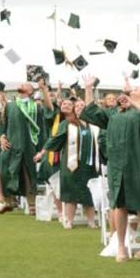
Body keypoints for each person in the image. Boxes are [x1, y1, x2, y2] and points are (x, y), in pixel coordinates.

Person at [82, 80, 140, 262]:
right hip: (117, 166)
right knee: (119, 205)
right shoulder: (114, 113)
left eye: (138, 88)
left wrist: (133, 102)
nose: (132, 89)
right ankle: (121, 246)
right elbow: (92, 113)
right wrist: (88, 89)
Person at [38, 95, 99, 229]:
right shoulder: (67, 124)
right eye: (77, 106)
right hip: (71, 165)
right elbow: (55, 139)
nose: (80, 108)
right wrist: (43, 152)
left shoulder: (94, 126)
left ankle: (91, 221)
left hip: (90, 165)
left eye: (83, 106)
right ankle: (69, 220)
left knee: (89, 194)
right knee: (71, 193)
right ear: (74, 110)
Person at [0, 82, 49, 215]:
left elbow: (42, 128)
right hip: (11, 144)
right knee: (6, 171)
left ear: (31, 91)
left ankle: (32, 205)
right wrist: (1, 137)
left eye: (26, 85)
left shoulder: (36, 107)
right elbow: (3, 124)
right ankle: (9, 202)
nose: (21, 85)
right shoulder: (10, 106)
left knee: (28, 174)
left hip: (29, 145)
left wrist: (41, 149)